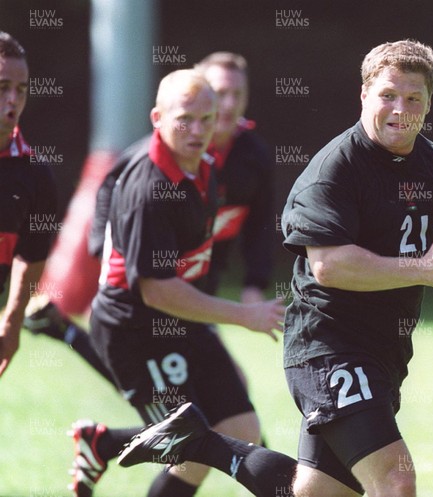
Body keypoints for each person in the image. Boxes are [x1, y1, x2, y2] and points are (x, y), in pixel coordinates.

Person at [115, 39, 433, 497]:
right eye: (388, 95)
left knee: (316, 494)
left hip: (386, 352)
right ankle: (203, 443)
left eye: (414, 99)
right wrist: (426, 269)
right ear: (364, 94)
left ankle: (202, 442)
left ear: (429, 104)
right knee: (396, 479)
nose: (400, 109)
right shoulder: (336, 169)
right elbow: (330, 266)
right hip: (329, 347)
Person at [69, 69, 284, 497]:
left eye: (207, 119)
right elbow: (157, 289)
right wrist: (245, 315)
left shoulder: (205, 167)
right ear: (157, 117)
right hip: (133, 332)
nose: (198, 130)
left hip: (180, 319)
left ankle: (103, 441)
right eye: (185, 118)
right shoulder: (148, 189)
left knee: (242, 425)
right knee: (190, 440)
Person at [25, 51, 274, 386]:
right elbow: (109, 186)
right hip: (150, 288)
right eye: (220, 93)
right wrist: (106, 252)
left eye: (237, 95)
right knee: (178, 396)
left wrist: (254, 284)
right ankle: (107, 436)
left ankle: (66, 335)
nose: (229, 104)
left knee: (208, 401)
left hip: (200, 278)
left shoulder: (248, 158)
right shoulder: (153, 168)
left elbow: (261, 223)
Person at [0, 31, 57, 377]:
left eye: (20, 90)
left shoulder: (35, 176)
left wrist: (13, 320)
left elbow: (32, 255)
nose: (12, 101)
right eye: (2, 86)